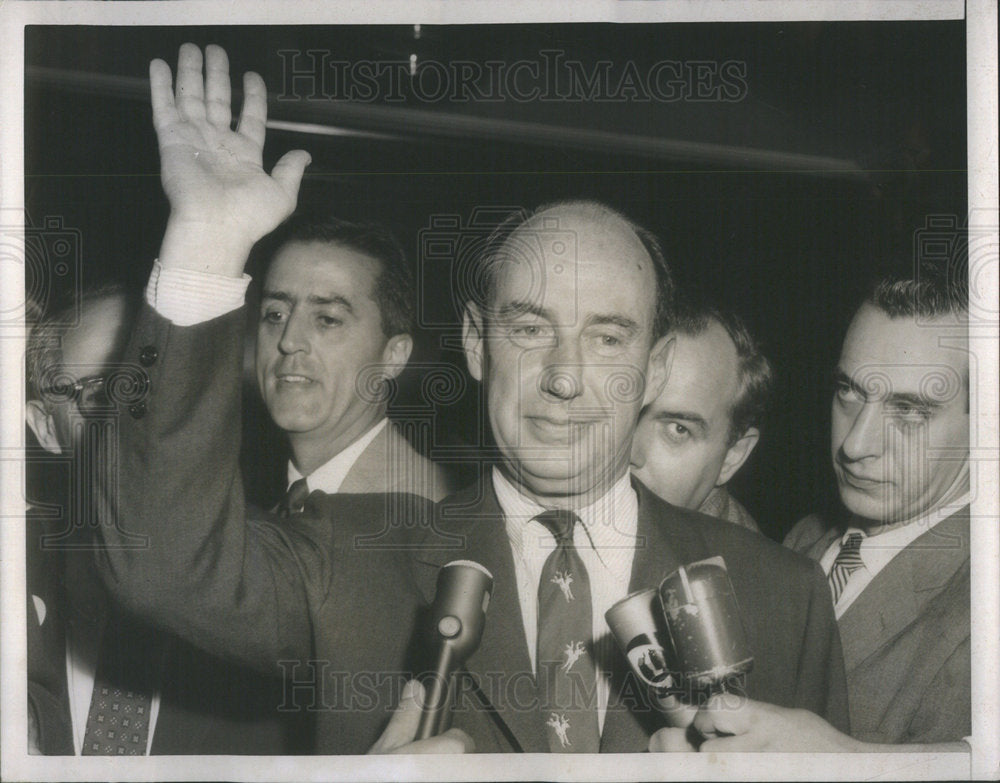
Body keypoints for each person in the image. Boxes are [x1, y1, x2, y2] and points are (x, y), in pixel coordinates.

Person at [96, 43, 848, 755]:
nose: (564, 376)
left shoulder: (781, 595)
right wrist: (206, 242)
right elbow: (158, 563)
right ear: (476, 345)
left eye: (608, 339)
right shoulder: (353, 554)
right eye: (530, 329)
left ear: (653, 371)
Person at [652, 268, 970, 752]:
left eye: (909, 410)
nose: (855, 444)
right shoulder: (806, 539)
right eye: (849, 391)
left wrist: (845, 763)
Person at [25, 285, 304, 755]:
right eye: (100, 392)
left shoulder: (284, 578)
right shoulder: (17, 573)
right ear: (46, 427)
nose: (141, 424)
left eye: (155, 393)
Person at [252, 212, 458, 504]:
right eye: (275, 315)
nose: (288, 341)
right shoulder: (250, 490)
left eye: (327, 319)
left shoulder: (423, 518)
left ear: (393, 356)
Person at [631, 297, 771, 532]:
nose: (627, 452)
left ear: (732, 457)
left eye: (678, 429)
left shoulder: (745, 567)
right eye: (627, 413)